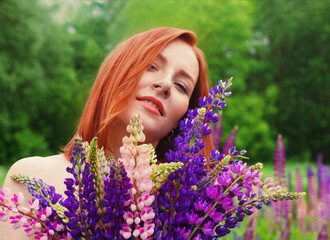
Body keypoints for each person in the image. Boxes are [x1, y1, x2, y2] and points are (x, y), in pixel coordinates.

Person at [1, 27, 214, 238]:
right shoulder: (32, 175)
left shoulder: (187, 209)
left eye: (181, 86)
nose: (166, 84)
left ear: (185, 118)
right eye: (151, 66)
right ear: (117, 72)